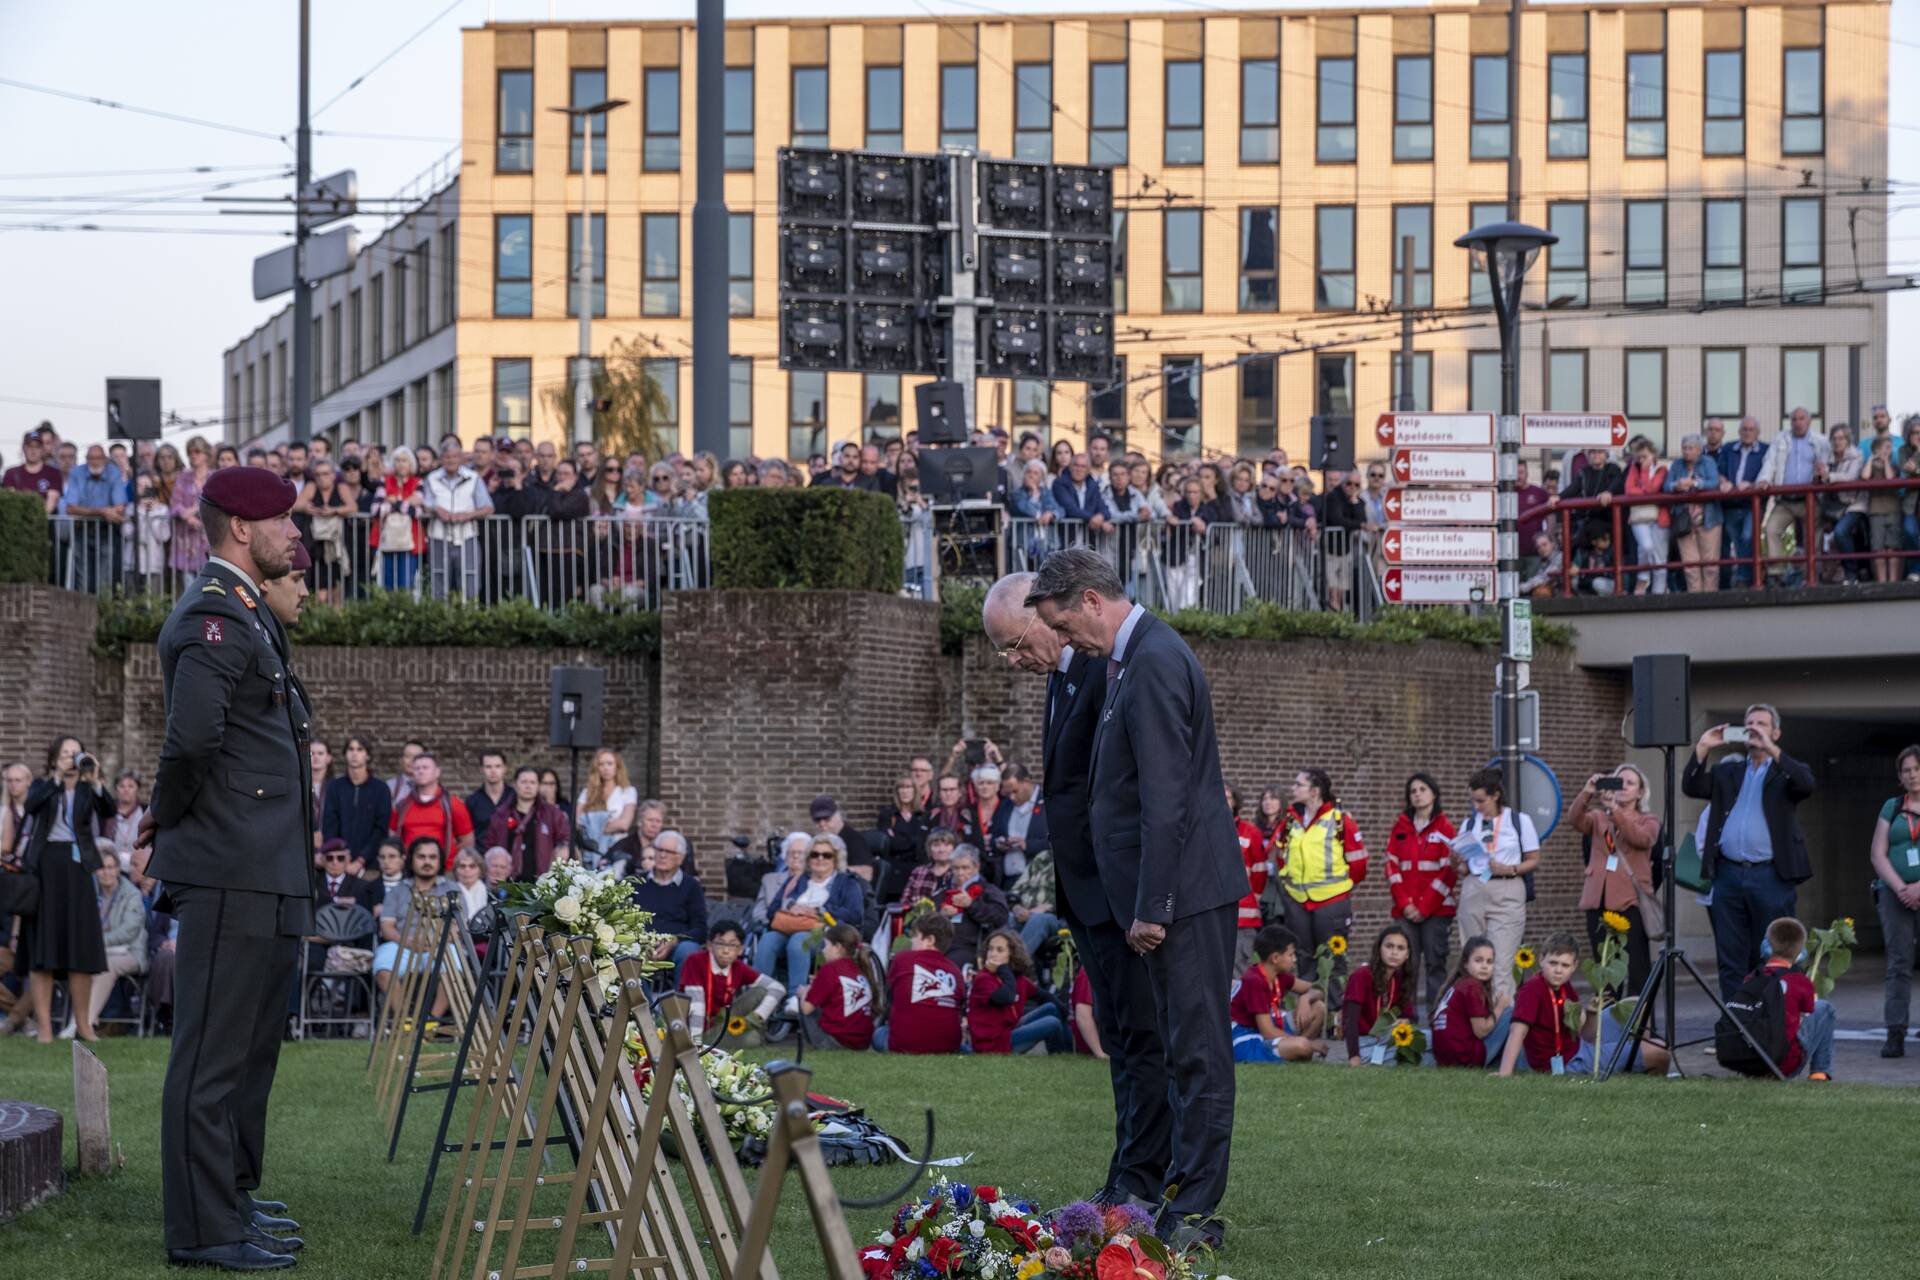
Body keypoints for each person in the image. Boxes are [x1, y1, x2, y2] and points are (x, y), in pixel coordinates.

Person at [1026, 548, 1245, 1249]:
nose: (1066, 642)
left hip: (1185, 893)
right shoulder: (1132, 657)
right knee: (1180, 1048)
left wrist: (1153, 904)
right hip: (1175, 889)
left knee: (1198, 1050)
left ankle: (1197, 1212)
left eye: (1065, 624)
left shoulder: (1150, 659)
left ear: (1092, 600)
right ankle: (1178, 1193)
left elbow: (1166, 795)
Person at [141, 464, 311, 1269]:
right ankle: (203, 1230)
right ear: (242, 528)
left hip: (260, 865)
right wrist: (164, 820)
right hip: (228, 865)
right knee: (209, 1057)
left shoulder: (245, 615)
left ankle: (231, 1201)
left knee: (245, 1054)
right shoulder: (213, 614)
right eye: (284, 521)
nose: (295, 536)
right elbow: (193, 744)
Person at [982, 570, 1165, 1208]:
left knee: (1141, 1036)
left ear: (1042, 617)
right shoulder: (1062, 679)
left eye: (1013, 644)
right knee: (1119, 1037)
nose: (1012, 661)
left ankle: (1143, 1177)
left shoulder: (1098, 670)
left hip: (1116, 895)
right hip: (1084, 896)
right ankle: (1128, 1169)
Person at [1682, 704, 1816, 1002]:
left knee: (1771, 955)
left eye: (1762, 724)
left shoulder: (1784, 774)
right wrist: (1703, 747)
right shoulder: (1728, 771)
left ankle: (1768, 1025)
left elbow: (1807, 783)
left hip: (1770, 875)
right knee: (1730, 957)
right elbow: (1691, 785)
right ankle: (1735, 1025)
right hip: (1729, 874)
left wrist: (1770, 749)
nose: (1754, 728)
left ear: (1776, 732)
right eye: (1749, 723)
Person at [19, 737, 114, 1043]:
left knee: (80, 946)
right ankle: (45, 1027)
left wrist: (95, 778)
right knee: (44, 948)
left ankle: (83, 1024)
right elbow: (31, 807)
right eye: (65, 754)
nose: (71, 759)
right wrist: (58, 779)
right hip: (47, 865)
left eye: (76, 754)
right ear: (55, 758)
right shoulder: (44, 785)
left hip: (79, 867)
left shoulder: (88, 786)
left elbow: (108, 810)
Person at [1266, 768, 1365, 986]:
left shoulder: (1340, 820)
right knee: (1302, 959)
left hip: (1331, 903)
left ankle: (1331, 1014)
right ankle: (1309, 1013)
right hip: (1298, 902)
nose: (1293, 788)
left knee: (1332, 961)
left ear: (1315, 791)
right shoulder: (1291, 819)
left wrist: (1340, 889)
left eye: (1299, 784)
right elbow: (1280, 854)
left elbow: (1359, 864)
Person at [1570, 766, 1660, 1000]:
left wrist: (1616, 811)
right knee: (1604, 967)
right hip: (1598, 899)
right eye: (1619, 781)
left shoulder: (1648, 820)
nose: (1623, 786)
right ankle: (1608, 1026)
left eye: (1630, 783)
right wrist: (1587, 793)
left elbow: (1641, 838)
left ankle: (1639, 1025)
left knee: (1636, 966)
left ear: (1640, 793)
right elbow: (1575, 819)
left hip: (1629, 901)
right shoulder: (1599, 818)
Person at [1451, 766, 1541, 1003]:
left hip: (1507, 888)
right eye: (1473, 800)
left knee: (1501, 963)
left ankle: (1502, 1024)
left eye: (1480, 800)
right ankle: (1475, 1015)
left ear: (1495, 795)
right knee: (1472, 959)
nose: (1476, 806)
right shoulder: (1470, 824)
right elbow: (1460, 868)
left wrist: (1509, 868)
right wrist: (1456, 861)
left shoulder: (1519, 821)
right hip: (1474, 887)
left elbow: (1533, 860)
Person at [753, 833, 863, 999]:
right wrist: (791, 906)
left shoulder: (847, 882)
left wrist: (821, 910)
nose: (820, 859)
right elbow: (772, 910)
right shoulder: (798, 880)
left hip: (825, 934)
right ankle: (757, 995)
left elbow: (855, 915)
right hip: (789, 928)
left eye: (826, 855)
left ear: (835, 859)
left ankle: (795, 997)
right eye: (814, 854)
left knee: (800, 941)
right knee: (768, 940)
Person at [1729, 917, 1835, 1081]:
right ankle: (1819, 1073)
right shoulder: (1800, 982)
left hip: (1749, 1061)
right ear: (1800, 953)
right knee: (1825, 1008)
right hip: (1783, 1064)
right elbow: (1807, 1012)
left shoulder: (1751, 978)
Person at [1385, 772, 1457, 1010]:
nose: (1417, 795)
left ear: (1434, 794)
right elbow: (1391, 866)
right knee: (1405, 965)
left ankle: (1437, 1018)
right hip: (1404, 910)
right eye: (1413, 791)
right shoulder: (1400, 826)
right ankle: (1405, 1019)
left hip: (1436, 911)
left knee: (1435, 964)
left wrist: (1424, 907)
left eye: (1422, 789)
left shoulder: (1446, 829)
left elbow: (1449, 872)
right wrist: (1406, 903)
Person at [1867, 744, 1920, 1058]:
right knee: (1899, 963)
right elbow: (1877, 852)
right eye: (1906, 770)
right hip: (1894, 893)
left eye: (1916, 769)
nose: (1912, 775)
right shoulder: (1892, 806)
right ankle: (1895, 1032)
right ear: (1900, 777)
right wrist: (1902, 887)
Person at [1228, 924, 1326, 1063]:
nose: (1294, 959)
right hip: (1247, 1037)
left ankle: (1298, 1051)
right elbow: (1267, 1032)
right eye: (1290, 955)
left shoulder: (1279, 974)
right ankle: (1300, 1049)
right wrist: (1307, 1043)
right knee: (1302, 1045)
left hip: (1270, 1026)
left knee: (1318, 1008)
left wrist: (1305, 998)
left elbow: (1318, 989)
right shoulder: (1254, 981)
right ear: (1275, 958)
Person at [1758, 406, 1829, 586]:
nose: (1798, 423)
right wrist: (1764, 479)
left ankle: (1810, 577)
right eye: (1794, 419)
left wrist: (1822, 473)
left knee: (1812, 538)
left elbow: (1827, 465)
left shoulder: (1820, 441)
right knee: (1771, 529)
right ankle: (1776, 573)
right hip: (1785, 499)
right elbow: (1770, 462)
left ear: (1809, 421)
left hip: (1810, 500)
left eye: (1801, 419)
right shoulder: (1781, 439)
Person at [874, 913, 963, 1054]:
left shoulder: (903, 959)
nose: (911, 941)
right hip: (948, 1047)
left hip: (906, 1045)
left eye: (915, 936)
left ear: (929, 940)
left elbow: (890, 997)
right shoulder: (955, 970)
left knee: (879, 1033)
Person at [679, 921, 783, 1039]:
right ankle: (710, 1039)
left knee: (761, 991)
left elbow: (778, 988)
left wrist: (758, 1015)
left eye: (732, 945)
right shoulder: (695, 961)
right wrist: (696, 1040)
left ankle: (742, 1031)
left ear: (740, 950)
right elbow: (696, 1003)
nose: (726, 951)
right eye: (720, 944)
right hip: (696, 1025)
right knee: (752, 1039)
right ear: (709, 945)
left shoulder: (738, 967)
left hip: (722, 1020)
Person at [1429, 936, 1513, 1069]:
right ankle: (1519, 1066)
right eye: (1478, 960)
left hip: (1444, 1059)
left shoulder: (1458, 985)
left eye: (1489, 961)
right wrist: (1500, 1006)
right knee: (1510, 1013)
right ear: (1465, 963)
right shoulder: (1472, 986)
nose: (1484, 966)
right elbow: (1481, 1031)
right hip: (1465, 1058)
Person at [630, 830, 706, 973]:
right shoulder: (637, 882)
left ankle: (679, 996)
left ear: (680, 858)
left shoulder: (691, 886)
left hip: (676, 947)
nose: (662, 855)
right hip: (640, 943)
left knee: (688, 951)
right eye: (659, 850)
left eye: (669, 852)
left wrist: (674, 940)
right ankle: (641, 996)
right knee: (626, 953)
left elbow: (701, 929)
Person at [1343, 923, 1417, 1066]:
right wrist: (1354, 1057)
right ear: (1379, 949)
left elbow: (1410, 1017)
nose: (1394, 952)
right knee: (1417, 1056)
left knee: (1429, 1039)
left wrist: (1405, 1021)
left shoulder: (1401, 978)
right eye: (1389, 946)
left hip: (1387, 1039)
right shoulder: (1361, 976)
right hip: (1363, 1043)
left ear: (1407, 955)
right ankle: (1376, 1059)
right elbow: (1349, 1021)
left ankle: (1382, 1060)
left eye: (1400, 948)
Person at [800, 922, 882, 1050]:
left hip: (835, 1041)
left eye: (826, 945)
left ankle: (814, 1045)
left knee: (802, 999)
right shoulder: (860, 967)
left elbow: (806, 1009)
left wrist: (804, 992)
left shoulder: (830, 968)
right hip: (861, 1043)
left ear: (837, 947)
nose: (823, 950)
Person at [483, 765, 572, 881]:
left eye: (532, 782)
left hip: (541, 883)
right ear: (515, 784)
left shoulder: (553, 814)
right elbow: (489, 847)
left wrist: (551, 877)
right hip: (506, 883)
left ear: (538, 786)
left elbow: (564, 843)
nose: (528, 786)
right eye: (524, 782)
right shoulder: (500, 815)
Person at [388, 752, 475, 866]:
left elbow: (467, 841)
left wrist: (450, 863)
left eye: (425, 768)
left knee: (502, 884)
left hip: (444, 871)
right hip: (409, 870)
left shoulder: (453, 805)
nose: (421, 771)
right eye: (417, 768)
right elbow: (393, 838)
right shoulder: (401, 806)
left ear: (437, 772)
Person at [967, 929, 1045, 1054]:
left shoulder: (1019, 979)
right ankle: (1061, 1050)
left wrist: (1067, 1013)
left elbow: (1043, 995)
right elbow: (1007, 997)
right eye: (990, 949)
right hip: (994, 1044)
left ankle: (1068, 1052)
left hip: (1009, 1031)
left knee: (1051, 1008)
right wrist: (1003, 969)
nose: (993, 954)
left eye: (999, 950)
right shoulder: (983, 978)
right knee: (1052, 1022)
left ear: (1012, 954)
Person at [1663, 434, 1723, 594]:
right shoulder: (1677, 464)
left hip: (1708, 518)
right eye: (1684, 448)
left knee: (1710, 564)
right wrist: (1677, 485)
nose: (1686, 452)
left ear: (1699, 450)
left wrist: (1695, 483)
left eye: (1690, 448)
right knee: (1690, 565)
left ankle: (1710, 599)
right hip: (1684, 519)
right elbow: (1666, 486)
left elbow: (1714, 483)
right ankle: (1695, 598)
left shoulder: (1708, 462)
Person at [322, 735, 390, 872]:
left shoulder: (380, 789)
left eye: (360, 749)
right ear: (345, 754)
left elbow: (381, 830)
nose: (354, 753)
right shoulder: (335, 787)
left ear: (368, 756)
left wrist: (361, 860)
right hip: (339, 864)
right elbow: (329, 825)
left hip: (371, 866)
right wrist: (340, 857)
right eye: (350, 749)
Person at [938, 846, 1010, 968]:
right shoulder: (944, 890)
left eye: (965, 868)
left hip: (971, 946)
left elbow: (1001, 917)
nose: (960, 873)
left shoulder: (988, 890)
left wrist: (971, 905)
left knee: (947, 965)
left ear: (976, 867)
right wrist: (941, 915)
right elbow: (927, 916)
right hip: (940, 944)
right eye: (956, 868)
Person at [1622, 436, 1670, 594]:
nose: (1642, 460)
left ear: (1654, 455)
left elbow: (1652, 489)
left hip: (1659, 518)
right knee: (1646, 546)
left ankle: (1658, 596)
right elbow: (1629, 490)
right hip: (1639, 517)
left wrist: (1641, 487)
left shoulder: (1662, 470)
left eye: (1645, 456)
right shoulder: (1634, 469)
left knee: (1660, 561)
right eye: (1639, 457)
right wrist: (1642, 474)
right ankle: (1643, 577)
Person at [1227, 787, 1268, 973]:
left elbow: (1260, 872)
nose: (1223, 800)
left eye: (1227, 797)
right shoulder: (1202, 829)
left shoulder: (1250, 832)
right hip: (1213, 915)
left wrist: (1255, 897)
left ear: (1235, 801)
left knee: (1238, 970)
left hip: (1243, 917)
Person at [574, 748, 637, 862]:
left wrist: (593, 826)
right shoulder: (587, 792)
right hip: (590, 848)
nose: (605, 768)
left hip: (617, 846)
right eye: (601, 764)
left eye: (609, 763)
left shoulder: (628, 791)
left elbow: (624, 824)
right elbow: (577, 820)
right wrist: (607, 825)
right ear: (596, 768)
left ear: (617, 766)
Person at [463, 750, 510, 839]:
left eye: (498, 766)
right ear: (481, 770)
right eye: (488, 767)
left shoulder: (514, 797)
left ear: (504, 769)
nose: (493, 771)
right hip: (481, 852)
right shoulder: (472, 801)